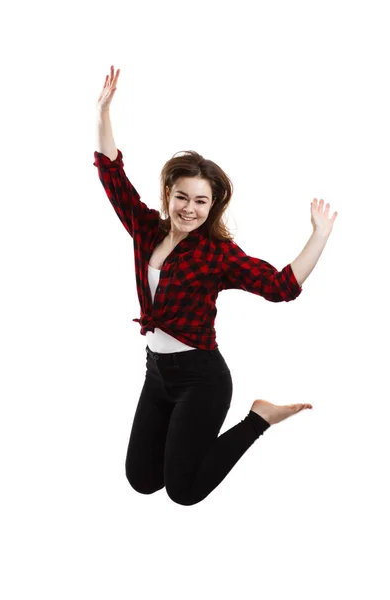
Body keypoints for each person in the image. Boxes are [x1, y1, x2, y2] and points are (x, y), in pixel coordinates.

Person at [93, 65, 338, 507]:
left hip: (202, 378)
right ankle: (180, 444)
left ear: (213, 204)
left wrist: (318, 236)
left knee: (183, 492)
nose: (190, 208)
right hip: (156, 373)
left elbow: (280, 286)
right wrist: (103, 112)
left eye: (201, 200)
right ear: (168, 193)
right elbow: (112, 175)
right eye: (182, 197)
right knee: (142, 480)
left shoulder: (217, 255)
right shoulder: (147, 230)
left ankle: (259, 418)